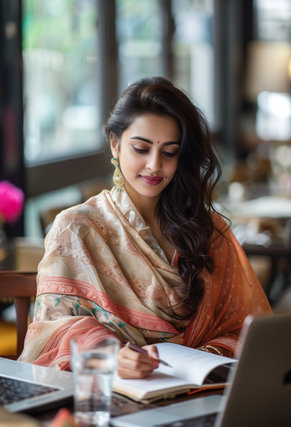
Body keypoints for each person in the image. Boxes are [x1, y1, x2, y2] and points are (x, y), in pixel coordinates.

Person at [19, 77, 271, 378]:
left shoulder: (206, 228)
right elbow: (52, 334)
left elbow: (244, 327)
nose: (154, 165)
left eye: (169, 152)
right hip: (112, 397)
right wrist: (112, 356)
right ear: (115, 144)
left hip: (202, 392)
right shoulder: (76, 229)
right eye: (141, 148)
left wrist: (207, 359)